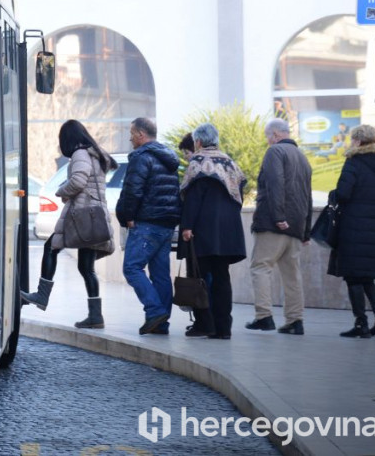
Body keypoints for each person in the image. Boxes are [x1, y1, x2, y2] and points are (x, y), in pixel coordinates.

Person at [21, 120, 116, 329]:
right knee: (86, 267)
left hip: (81, 215)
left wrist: (61, 191)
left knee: (50, 247)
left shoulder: (80, 154)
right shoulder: (95, 155)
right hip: (94, 215)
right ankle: (95, 316)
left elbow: (78, 182)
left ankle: (41, 296)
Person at [178, 123, 247, 340]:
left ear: (198, 141)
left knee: (201, 277)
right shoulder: (228, 161)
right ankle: (223, 328)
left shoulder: (198, 162)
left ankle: (205, 324)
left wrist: (187, 226)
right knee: (221, 278)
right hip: (228, 229)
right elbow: (239, 193)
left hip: (204, 229)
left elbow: (194, 197)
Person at [246, 118, 313, 335]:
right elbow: (307, 196)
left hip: (274, 224)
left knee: (260, 267)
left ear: (275, 135)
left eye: (268, 137)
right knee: (292, 274)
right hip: (296, 227)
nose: (267, 141)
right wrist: (306, 230)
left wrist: (277, 216)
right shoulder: (303, 158)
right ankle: (295, 320)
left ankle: (263, 316)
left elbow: (275, 184)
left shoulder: (275, 152)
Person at [116, 117, 181, 335]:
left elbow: (133, 189)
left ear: (141, 135)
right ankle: (161, 324)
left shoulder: (141, 157)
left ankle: (154, 312)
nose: (130, 138)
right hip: (166, 223)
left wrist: (128, 216)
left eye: (132, 133)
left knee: (132, 268)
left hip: (146, 223)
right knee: (160, 274)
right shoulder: (168, 157)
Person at [327, 124, 375, 338]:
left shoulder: (354, 161)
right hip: (373, 226)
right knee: (366, 278)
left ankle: (361, 324)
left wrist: (333, 194)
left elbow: (344, 193)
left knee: (354, 277)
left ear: (357, 141)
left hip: (353, 226)